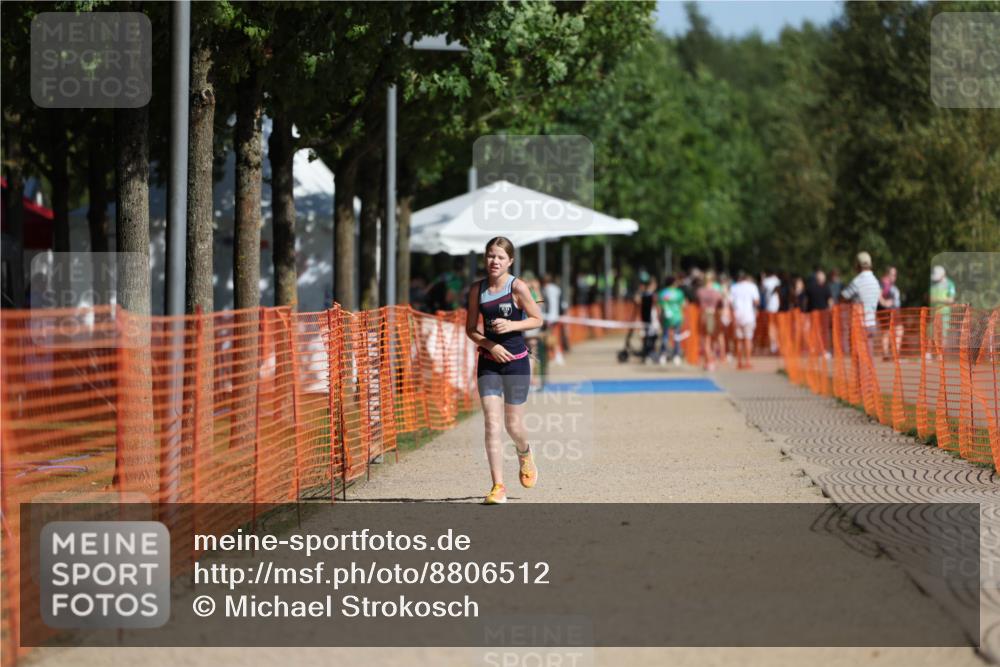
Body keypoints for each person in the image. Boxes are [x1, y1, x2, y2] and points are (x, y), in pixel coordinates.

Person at [465, 237, 544, 505]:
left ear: (510, 261)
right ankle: (498, 485)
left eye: (500, 257)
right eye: (490, 256)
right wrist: (489, 345)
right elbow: (470, 329)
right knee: (491, 422)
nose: (494, 261)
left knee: (513, 425)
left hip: (517, 362)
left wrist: (510, 327)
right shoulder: (478, 290)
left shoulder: (517, 287)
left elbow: (537, 319)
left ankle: (525, 452)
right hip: (488, 361)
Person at [839, 251, 881, 357]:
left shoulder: (857, 281)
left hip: (859, 324)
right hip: (871, 323)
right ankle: (869, 373)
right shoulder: (875, 281)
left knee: (858, 356)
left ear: (857, 265)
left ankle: (860, 374)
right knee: (869, 354)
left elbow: (843, 297)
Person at [729, 271, 761, 369]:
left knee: (739, 340)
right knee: (748, 339)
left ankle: (739, 362)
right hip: (749, 316)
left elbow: (730, 302)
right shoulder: (752, 287)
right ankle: (748, 361)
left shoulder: (734, 287)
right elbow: (756, 301)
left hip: (737, 315)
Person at [695, 273, 723, 371]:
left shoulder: (700, 291)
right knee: (712, 340)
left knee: (705, 340)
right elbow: (720, 304)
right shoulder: (717, 292)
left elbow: (697, 303)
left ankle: (708, 362)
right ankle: (711, 362)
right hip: (713, 315)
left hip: (703, 316)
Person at [656, 275, 686, 365]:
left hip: (666, 318)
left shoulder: (662, 293)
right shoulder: (679, 293)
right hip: (677, 317)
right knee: (676, 337)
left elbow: (659, 307)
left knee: (665, 336)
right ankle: (676, 355)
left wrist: (659, 318)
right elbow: (683, 305)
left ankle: (663, 355)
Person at [928, 265, 956, 358]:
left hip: (945, 313)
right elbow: (930, 298)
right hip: (934, 312)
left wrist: (938, 300)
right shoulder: (934, 285)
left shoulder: (950, 284)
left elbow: (951, 300)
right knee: (931, 332)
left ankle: (940, 354)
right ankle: (929, 353)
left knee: (943, 334)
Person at [878, 266, 902, 360]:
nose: (895, 277)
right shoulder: (885, 283)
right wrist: (885, 303)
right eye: (893, 274)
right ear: (887, 274)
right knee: (898, 329)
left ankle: (886, 354)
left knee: (886, 332)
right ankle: (894, 353)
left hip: (887, 310)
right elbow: (879, 295)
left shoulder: (889, 284)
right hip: (890, 310)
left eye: (895, 275)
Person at [541, 273, 565, 365]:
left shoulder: (546, 290)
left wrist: (549, 318)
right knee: (551, 337)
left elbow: (550, 304)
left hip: (549, 317)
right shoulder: (556, 288)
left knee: (551, 338)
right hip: (555, 316)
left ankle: (557, 356)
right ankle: (554, 356)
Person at [761, 269, 781, 354]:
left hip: (770, 306)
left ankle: (773, 345)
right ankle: (774, 345)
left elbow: (762, 290)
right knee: (774, 326)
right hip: (776, 306)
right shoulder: (777, 280)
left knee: (771, 326)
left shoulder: (767, 281)